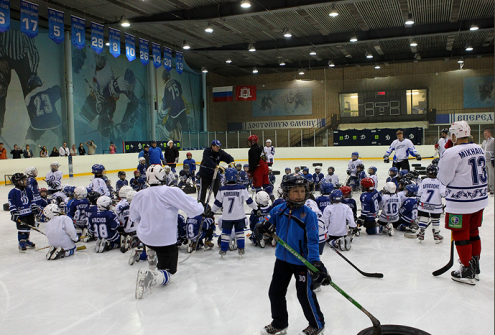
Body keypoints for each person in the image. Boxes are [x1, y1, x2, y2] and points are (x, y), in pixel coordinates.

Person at [257, 175, 329, 335]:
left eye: (302, 191)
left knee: (304, 294)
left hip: (301, 261)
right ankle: (279, 322)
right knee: (275, 292)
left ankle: (317, 324)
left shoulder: (309, 215)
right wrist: (261, 226)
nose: (300, 194)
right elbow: (267, 221)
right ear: (286, 193)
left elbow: (312, 241)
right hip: (282, 259)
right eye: (295, 191)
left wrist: (315, 263)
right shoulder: (279, 209)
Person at [131, 165, 205, 299]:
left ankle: (151, 253)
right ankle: (151, 276)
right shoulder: (170, 192)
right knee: (168, 272)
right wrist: (202, 206)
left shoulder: (139, 195)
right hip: (165, 240)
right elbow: (195, 210)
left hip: (145, 237)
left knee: (150, 238)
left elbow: (133, 217)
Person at [437, 121, 489, 285]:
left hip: (460, 202)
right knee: (473, 231)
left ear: (454, 135)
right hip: (480, 199)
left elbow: (443, 179)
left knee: (460, 233)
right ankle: (475, 266)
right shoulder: (479, 148)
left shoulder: (452, 152)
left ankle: (466, 269)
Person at [211, 168, 258, 257]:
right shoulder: (242, 188)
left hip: (226, 217)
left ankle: (224, 249)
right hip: (239, 216)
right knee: (240, 232)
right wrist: (256, 208)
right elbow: (249, 201)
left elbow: (217, 203)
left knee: (225, 233)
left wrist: (212, 211)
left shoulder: (222, 189)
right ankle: (241, 248)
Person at [9, 172, 39, 252]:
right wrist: (14, 212)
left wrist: (34, 206)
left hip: (29, 213)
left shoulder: (28, 189)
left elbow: (32, 199)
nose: (26, 181)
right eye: (24, 180)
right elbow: (11, 204)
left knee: (28, 227)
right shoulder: (12, 192)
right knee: (22, 229)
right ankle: (21, 242)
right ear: (18, 182)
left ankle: (26, 240)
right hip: (21, 214)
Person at [198, 140, 234, 205]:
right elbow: (208, 160)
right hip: (205, 174)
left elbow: (228, 157)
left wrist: (231, 162)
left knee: (217, 189)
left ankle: (219, 203)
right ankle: (200, 203)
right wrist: (216, 166)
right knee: (203, 189)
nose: (218, 148)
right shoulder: (207, 151)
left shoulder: (220, 152)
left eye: (219, 146)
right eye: (217, 146)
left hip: (214, 173)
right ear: (212, 146)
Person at [416, 164, 446, 242]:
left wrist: (418, 200)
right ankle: (436, 234)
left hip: (424, 204)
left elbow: (419, 193)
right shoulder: (440, 182)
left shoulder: (424, 181)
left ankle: (421, 233)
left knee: (423, 218)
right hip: (436, 205)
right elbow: (444, 193)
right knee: (435, 219)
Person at [248, 135, 274, 201]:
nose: (248, 143)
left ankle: (260, 201)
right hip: (265, 168)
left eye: (250, 141)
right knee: (266, 185)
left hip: (258, 169)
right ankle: (272, 198)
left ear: (253, 142)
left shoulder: (251, 150)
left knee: (257, 186)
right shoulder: (261, 147)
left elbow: (253, 162)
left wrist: (250, 171)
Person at [481, 128, 494, 195]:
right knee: (486, 174)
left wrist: (493, 158)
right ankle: (487, 187)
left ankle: (492, 188)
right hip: (485, 160)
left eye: (486, 133)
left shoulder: (493, 141)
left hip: (490, 160)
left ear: (489, 133)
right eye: (484, 133)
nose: (485, 134)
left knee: (491, 174)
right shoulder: (484, 142)